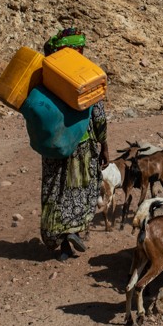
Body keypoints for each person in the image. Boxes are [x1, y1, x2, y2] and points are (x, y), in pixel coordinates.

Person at [39, 27, 109, 262]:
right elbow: (98, 114)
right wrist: (104, 145)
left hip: (54, 144)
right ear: (76, 49)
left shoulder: (46, 73)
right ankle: (74, 231)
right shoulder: (84, 73)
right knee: (80, 190)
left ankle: (62, 244)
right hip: (81, 144)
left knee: (56, 191)